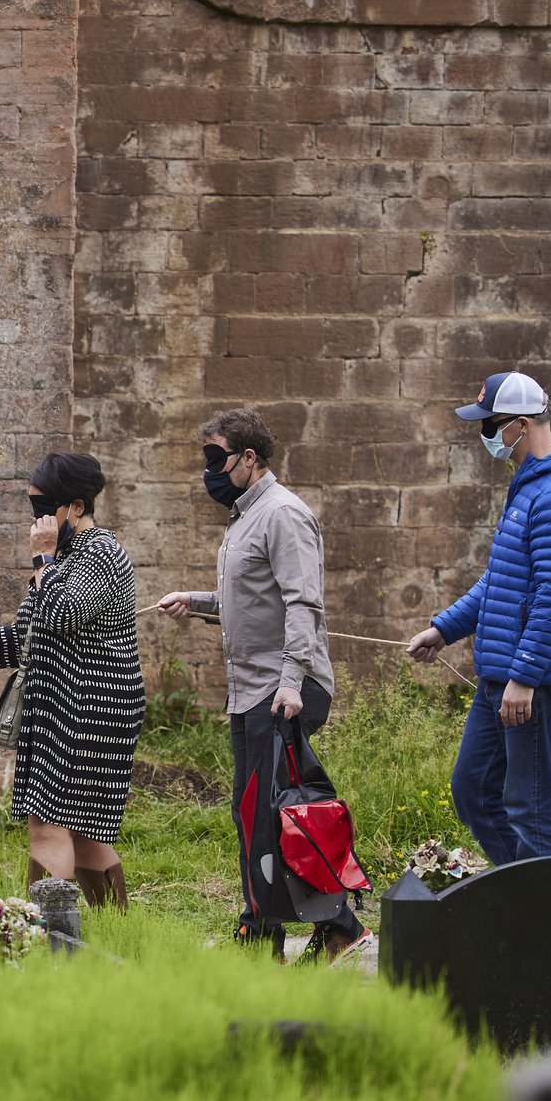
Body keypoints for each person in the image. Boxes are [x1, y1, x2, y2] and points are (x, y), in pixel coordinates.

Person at [155, 407, 358, 959]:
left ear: (249, 458)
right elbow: (253, 602)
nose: (209, 472)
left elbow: (303, 604)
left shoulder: (283, 515)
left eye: (216, 459)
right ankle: (261, 929)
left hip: (285, 690)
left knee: (276, 813)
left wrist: (291, 683)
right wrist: (196, 602)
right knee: (252, 813)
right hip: (252, 692)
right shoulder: (245, 517)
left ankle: (335, 925)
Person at [406, 371, 551, 863]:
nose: (485, 437)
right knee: (473, 790)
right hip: (502, 675)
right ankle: (521, 896)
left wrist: (524, 677)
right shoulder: (529, 486)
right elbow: (499, 582)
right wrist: (444, 628)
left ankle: (549, 927)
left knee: (529, 807)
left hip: (533, 683)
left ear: (521, 424)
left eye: (490, 425)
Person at [0, 452, 144, 909]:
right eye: (31, 508)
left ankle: (56, 941)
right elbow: (41, 631)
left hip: (91, 707)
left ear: (75, 507)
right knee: (82, 829)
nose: (36, 521)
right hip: (62, 703)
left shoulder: (101, 555)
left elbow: (62, 613)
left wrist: (41, 557)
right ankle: (116, 931)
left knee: (49, 823)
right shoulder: (67, 556)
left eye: (43, 508)